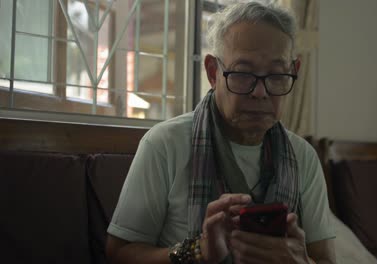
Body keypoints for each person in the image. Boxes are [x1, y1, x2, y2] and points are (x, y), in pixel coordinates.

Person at [106, 2, 336, 264]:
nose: (260, 92)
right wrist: (198, 251)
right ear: (213, 73)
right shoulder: (165, 144)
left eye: (276, 74)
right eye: (242, 73)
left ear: (293, 72)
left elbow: (325, 259)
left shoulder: (302, 156)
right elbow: (118, 254)